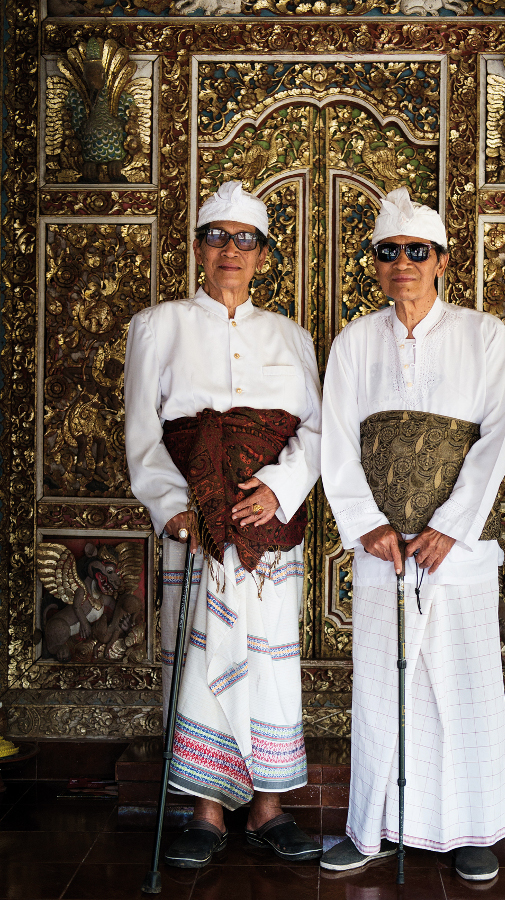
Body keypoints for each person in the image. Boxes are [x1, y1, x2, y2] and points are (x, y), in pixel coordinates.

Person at [320, 187, 505, 881]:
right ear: (374, 264)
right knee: (380, 689)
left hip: (457, 553)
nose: (402, 262)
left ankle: (471, 829)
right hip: (383, 552)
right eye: (388, 251)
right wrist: (367, 526)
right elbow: (337, 446)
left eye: (417, 251)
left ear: (440, 262)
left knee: (462, 682)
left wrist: (452, 529)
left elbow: (497, 439)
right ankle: (369, 829)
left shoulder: (483, 334)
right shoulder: (352, 343)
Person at [124, 181, 322, 868]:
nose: (230, 251)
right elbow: (143, 435)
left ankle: (269, 808)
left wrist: (278, 489)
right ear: (199, 249)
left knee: (268, 661)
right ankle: (205, 811)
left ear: (263, 255)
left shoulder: (291, 337)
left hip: (268, 531)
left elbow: (317, 431)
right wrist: (173, 507)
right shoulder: (157, 327)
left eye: (245, 240)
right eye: (217, 238)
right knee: (202, 661)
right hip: (195, 525)